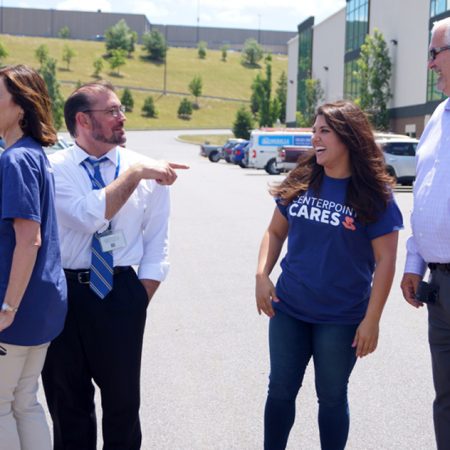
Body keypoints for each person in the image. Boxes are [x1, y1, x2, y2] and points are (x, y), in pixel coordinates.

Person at [41, 81, 188, 450]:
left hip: (119, 292)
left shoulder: (149, 171)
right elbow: (88, 215)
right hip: (65, 296)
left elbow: (157, 243)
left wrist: (138, 297)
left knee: (123, 407)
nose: (122, 117)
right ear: (82, 120)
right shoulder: (53, 169)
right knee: (69, 405)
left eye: (121, 109)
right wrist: (135, 173)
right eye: (111, 111)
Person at [256, 100, 403, 450]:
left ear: (348, 137)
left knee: (332, 397)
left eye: (324, 131)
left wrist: (372, 320)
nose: (315, 139)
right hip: (289, 309)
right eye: (314, 131)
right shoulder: (302, 179)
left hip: (341, 318)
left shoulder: (374, 195)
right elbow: (274, 232)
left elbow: (386, 260)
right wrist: (262, 275)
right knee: (280, 390)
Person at [0, 65, 67, 450]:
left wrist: (8, 307)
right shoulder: (34, 154)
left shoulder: (15, 160)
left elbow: (29, 240)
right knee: (24, 401)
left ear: (21, 106)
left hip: (16, 307)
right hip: (41, 305)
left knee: (2, 405)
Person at [400, 17, 450, 450]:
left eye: (435, 53)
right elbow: (423, 194)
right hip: (439, 285)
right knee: (446, 400)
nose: (430, 64)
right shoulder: (437, 117)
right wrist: (414, 263)